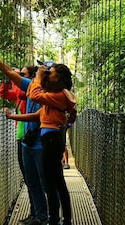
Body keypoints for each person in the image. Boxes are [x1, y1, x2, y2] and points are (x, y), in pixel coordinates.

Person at [0, 46, 48, 225]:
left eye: (44, 71)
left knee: (45, 183)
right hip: (27, 142)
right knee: (32, 182)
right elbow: (8, 74)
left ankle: (47, 217)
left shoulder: (50, 93)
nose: (40, 72)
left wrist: (12, 116)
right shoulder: (31, 86)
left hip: (42, 143)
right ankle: (38, 216)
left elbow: (38, 115)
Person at [26, 62, 76, 225]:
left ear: (59, 79)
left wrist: (38, 76)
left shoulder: (59, 96)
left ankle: (55, 220)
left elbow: (34, 96)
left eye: (51, 73)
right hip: (53, 138)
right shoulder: (62, 94)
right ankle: (63, 219)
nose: (48, 74)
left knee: (50, 182)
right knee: (57, 181)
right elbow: (72, 113)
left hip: (52, 139)